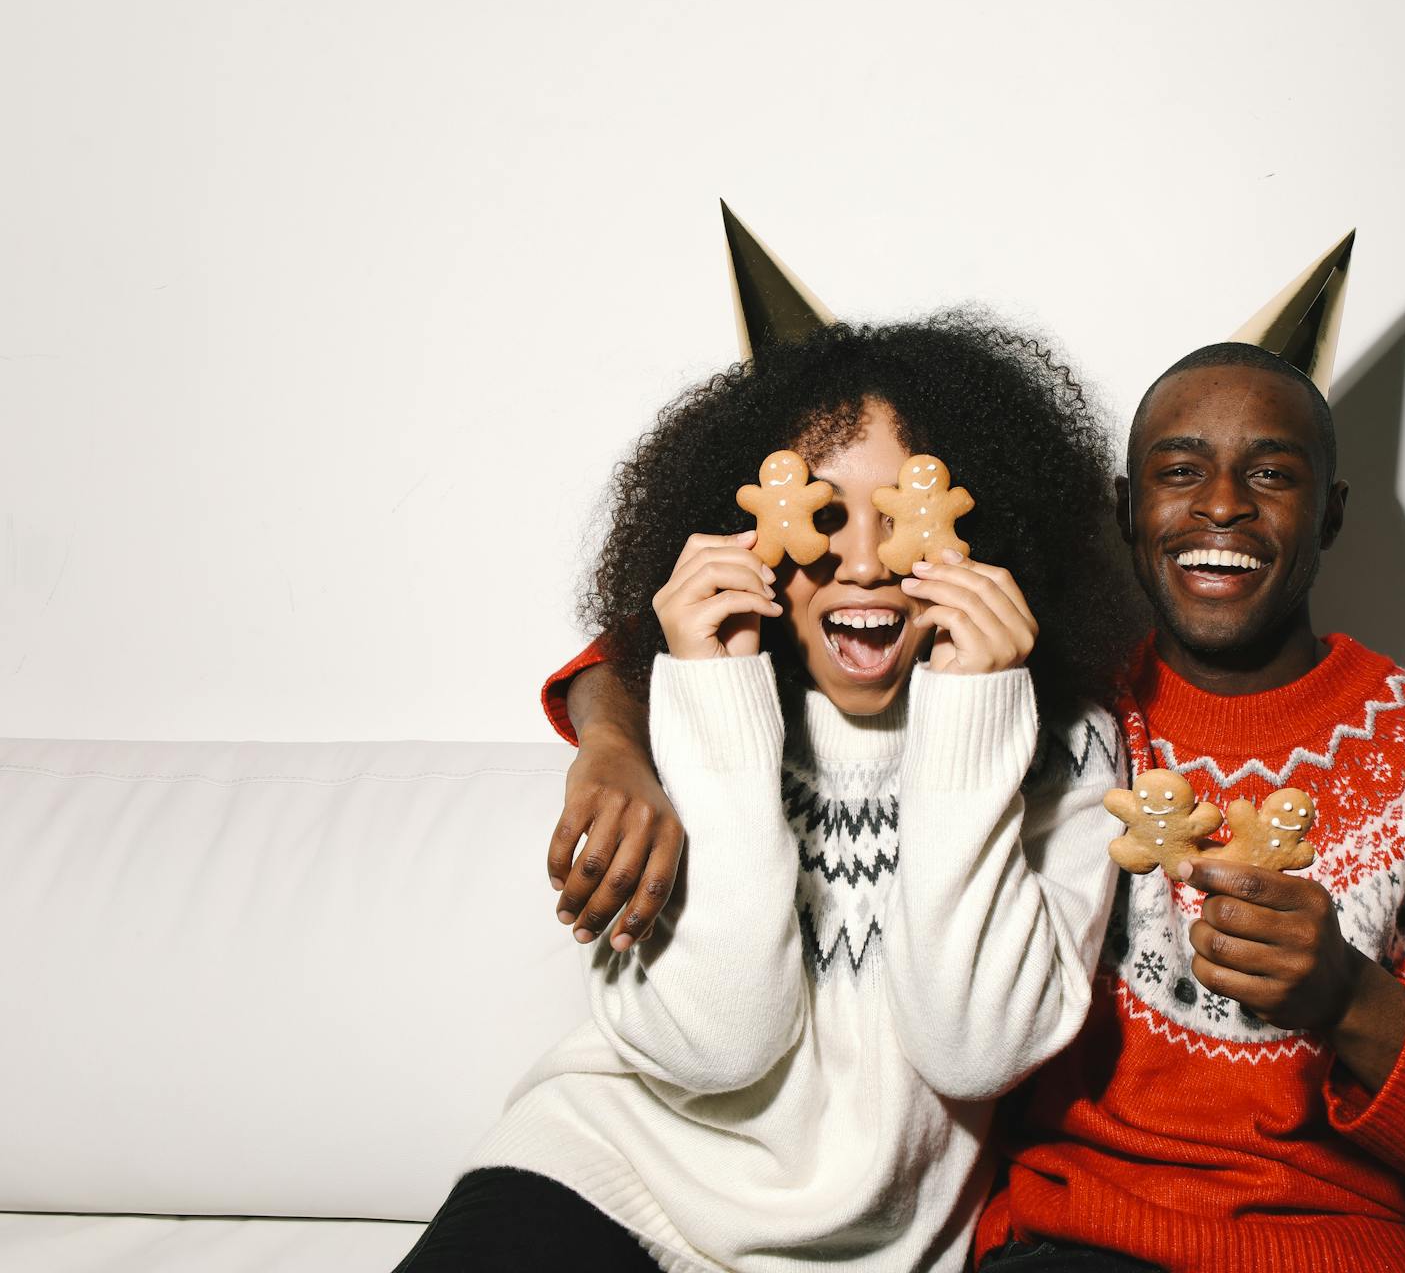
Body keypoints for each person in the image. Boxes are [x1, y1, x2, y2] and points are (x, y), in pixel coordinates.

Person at [537, 237, 1405, 1270]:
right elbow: (691, 641)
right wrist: (616, 743)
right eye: (1181, 468)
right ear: (1123, 509)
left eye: (1274, 473)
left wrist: (1352, 999)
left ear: (1332, 512)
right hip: (1075, 1246)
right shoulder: (1054, 714)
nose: (1222, 506)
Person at [397, 313, 1133, 1272]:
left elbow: (973, 1053)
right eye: (822, 516)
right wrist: (710, 695)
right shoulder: (703, 696)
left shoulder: (1066, 749)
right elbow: (718, 1047)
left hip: (876, 1244)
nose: (863, 563)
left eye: (904, 515)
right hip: (603, 1172)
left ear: (979, 531)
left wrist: (972, 707)